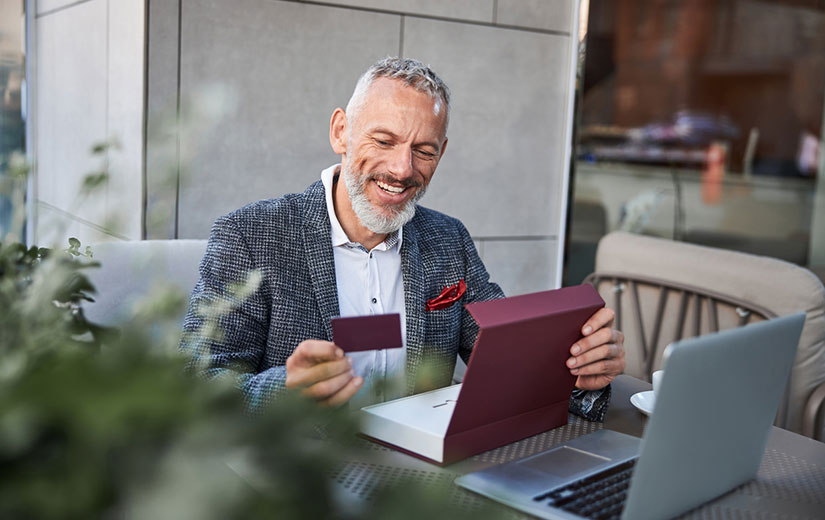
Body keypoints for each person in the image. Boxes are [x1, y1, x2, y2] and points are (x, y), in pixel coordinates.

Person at [181, 57, 625, 418]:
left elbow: (510, 364)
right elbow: (192, 385)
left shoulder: (448, 241)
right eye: (384, 140)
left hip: (419, 481)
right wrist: (282, 389)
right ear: (341, 131)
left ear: (442, 153)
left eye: (423, 150)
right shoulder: (251, 236)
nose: (402, 169)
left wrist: (580, 369)